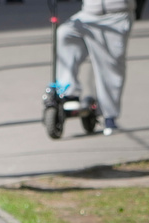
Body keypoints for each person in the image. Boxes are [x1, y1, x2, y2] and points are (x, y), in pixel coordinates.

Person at [55, 0, 135, 135]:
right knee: (65, 34)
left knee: (110, 67)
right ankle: (69, 92)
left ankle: (110, 116)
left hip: (115, 16)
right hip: (88, 14)